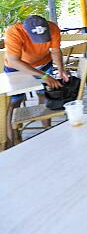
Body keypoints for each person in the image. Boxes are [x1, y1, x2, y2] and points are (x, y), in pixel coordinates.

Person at [3, 15, 68, 144]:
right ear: (25, 30)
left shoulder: (53, 29)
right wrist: (43, 76)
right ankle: (12, 140)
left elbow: (55, 51)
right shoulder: (14, 32)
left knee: (45, 96)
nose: (41, 42)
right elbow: (14, 61)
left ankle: (47, 131)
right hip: (17, 67)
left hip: (44, 63)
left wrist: (61, 69)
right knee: (14, 102)